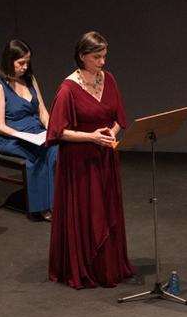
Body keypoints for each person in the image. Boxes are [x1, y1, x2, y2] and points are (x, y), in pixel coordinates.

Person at [46, 31, 133, 289]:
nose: (102, 62)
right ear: (82, 57)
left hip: (104, 155)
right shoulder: (67, 89)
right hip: (80, 161)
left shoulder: (110, 80)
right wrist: (90, 137)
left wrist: (110, 134)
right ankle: (85, 265)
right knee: (88, 211)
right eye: (97, 57)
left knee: (106, 209)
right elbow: (57, 131)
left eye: (104, 56)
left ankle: (109, 265)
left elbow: (119, 120)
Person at [0, 39, 58, 221]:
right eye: (21, 63)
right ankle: (42, 208)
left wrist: (51, 129)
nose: (25, 67)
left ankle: (57, 202)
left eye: (27, 62)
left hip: (36, 133)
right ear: (9, 61)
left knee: (56, 148)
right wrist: (22, 135)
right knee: (39, 153)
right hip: (12, 138)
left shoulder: (30, 80)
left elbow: (42, 111)